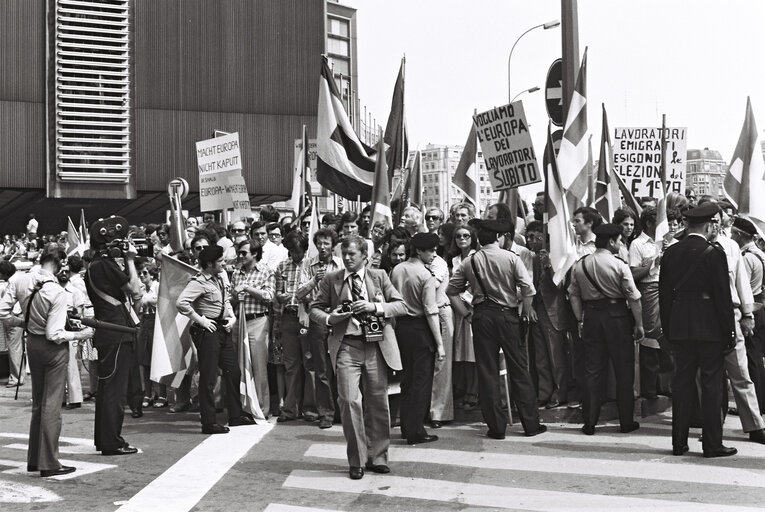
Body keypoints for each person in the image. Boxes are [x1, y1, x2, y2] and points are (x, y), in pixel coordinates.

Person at [309, 234, 407, 480]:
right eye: (344, 254)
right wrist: (332, 318)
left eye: (352, 254)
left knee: (377, 403)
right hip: (346, 347)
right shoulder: (332, 279)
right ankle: (357, 460)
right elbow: (315, 309)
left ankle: (379, 456)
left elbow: (401, 305)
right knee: (349, 401)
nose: (347, 258)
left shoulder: (379, 276)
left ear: (365, 256)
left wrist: (375, 307)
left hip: (376, 347)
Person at [447, 219, 545, 439]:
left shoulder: (469, 261)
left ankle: (497, 427)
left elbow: (451, 292)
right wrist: (525, 312)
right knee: (520, 370)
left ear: (479, 239)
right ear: (499, 237)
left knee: (487, 372)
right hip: (508, 316)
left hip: (482, 316)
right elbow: (528, 290)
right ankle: (531, 424)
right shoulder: (511, 258)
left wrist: (466, 314)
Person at [0, 244, 93, 477]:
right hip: (52, 348)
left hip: (32, 343)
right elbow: (55, 334)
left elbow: (3, 312)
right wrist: (80, 335)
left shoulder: (20, 279)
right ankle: (49, 462)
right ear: (60, 263)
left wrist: (24, 323)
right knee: (52, 406)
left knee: (39, 404)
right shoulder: (57, 292)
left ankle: (35, 459)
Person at [659, 203, 737, 457]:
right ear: (707, 225)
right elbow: (722, 298)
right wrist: (729, 333)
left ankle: (678, 442)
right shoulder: (714, 253)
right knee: (712, 386)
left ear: (687, 225)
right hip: (710, 327)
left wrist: (669, 330)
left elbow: (664, 297)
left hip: (680, 326)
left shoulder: (671, 253)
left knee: (681, 385)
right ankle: (712, 444)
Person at [568, 223, 644, 436]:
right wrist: (639, 324)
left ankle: (590, 422)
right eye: (620, 241)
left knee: (592, 371)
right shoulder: (619, 264)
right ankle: (626, 421)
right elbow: (633, 296)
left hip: (591, 317)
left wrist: (580, 319)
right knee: (623, 370)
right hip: (617, 318)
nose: (621, 244)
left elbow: (573, 294)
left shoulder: (580, 265)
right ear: (611, 242)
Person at [176, 245, 255, 434]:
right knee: (209, 377)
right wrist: (201, 320)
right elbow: (181, 303)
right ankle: (209, 422)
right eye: (220, 260)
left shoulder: (220, 278)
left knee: (233, 371)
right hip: (208, 330)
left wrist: (232, 317)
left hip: (222, 328)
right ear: (210, 264)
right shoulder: (198, 281)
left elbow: (226, 300)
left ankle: (235, 415)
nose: (223, 263)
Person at [85, 219, 143, 456]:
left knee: (108, 389)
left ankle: (105, 440)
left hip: (110, 331)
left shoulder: (96, 265)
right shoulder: (105, 264)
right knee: (115, 391)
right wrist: (130, 260)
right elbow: (136, 290)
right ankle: (112, 442)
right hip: (117, 331)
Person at [390, 233, 446, 444]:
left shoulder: (397, 269)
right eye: (430, 250)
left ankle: (407, 426)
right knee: (421, 383)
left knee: (407, 380)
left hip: (401, 327)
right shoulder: (426, 276)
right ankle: (416, 431)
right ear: (419, 251)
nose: (434, 254)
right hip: (421, 329)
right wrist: (439, 344)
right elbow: (431, 311)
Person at [296, 228, 343, 428]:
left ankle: (342, 410)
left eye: (327, 244)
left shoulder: (340, 263)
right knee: (321, 368)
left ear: (333, 245)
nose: (323, 248)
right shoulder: (308, 264)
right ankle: (326, 413)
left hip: (340, 318)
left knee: (341, 367)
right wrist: (315, 279)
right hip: (318, 317)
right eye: (320, 244)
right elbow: (298, 293)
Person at [526, 221, 573, 408]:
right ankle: (544, 391)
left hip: (553, 311)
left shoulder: (558, 258)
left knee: (556, 355)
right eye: (529, 237)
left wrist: (548, 266)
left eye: (536, 237)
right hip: (537, 309)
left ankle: (560, 391)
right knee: (541, 356)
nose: (531, 241)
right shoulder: (532, 258)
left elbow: (558, 286)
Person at [230, 240, 275, 418]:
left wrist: (248, 288)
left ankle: (262, 409)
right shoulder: (236, 273)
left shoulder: (266, 271)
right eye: (239, 253)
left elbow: (269, 296)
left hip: (258, 321)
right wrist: (235, 295)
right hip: (239, 321)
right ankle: (243, 407)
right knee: (240, 367)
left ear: (254, 254)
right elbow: (231, 299)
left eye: (244, 253)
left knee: (258, 367)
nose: (240, 256)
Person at [629, 206, 668, 399]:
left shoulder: (664, 242)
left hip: (666, 289)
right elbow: (633, 274)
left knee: (664, 334)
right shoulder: (637, 245)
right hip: (649, 288)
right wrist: (653, 263)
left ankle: (663, 384)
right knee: (650, 335)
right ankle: (649, 387)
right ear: (649, 223)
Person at [274, 231, 312, 422]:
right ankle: (290, 409)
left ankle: (309, 409)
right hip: (288, 317)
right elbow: (278, 293)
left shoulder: (312, 265)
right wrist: (282, 296)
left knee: (309, 364)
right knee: (291, 366)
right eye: (293, 251)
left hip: (306, 317)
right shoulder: (282, 266)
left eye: (299, 251)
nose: (296, 255)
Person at [730, 216, 765, 413]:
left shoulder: (745, 258)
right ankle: (762, 402)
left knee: (751, 360)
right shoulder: (759, 254)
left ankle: (756, 405)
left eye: (734, 234)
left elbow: (742, 286)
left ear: (740, 235)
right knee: (757, 357)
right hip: (760, 305)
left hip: (751, 308)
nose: (732, 236)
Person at [450, 225, 479, 410]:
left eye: (466, 235)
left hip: (473, 306)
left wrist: (466, 296)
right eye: (458, 236)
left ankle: (474, 391)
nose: (462, 239)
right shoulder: (454, 259)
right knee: (462, 352)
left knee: (473, 352)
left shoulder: (476, 257)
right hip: (458, 309)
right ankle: (464, 387)